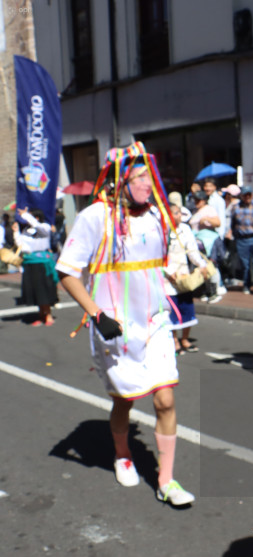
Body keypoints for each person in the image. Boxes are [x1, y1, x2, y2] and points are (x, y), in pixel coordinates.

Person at [56, 141, 195, 507]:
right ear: (119, 181)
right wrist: (97, 315)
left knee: (165, 399)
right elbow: (66, 272)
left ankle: (166, 480)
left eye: (150, 177)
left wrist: (188, 276)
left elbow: (162, 264)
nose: (149, 184)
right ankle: (123, 454)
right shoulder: (94, 217)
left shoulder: (156, 215)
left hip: (155, 323)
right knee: (125, 401)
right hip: (116, 327)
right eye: (140, 178)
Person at [163, 203, 210, 354]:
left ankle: (185, 338)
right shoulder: (162, 231)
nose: (178, 216)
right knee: (172, 309)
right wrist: (168, 271)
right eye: (175, 213)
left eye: (179, 213)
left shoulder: (185, 229)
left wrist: (201, 265)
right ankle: (174, 340)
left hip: (183, 275)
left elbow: (192, 250)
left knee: (186, 307)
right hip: (168, 278)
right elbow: (158, 255)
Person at [13, 207, 58, 326]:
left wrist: (26, 215)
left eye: (31, 216)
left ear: (36, 218)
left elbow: (37, 226)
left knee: (44, 289)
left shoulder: (44, 227)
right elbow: (22, 245)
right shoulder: (27, 231)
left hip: (42, 263)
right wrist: (16, 232)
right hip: (30, 262)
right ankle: (41, 314)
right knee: (35, 290)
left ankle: (48, 315)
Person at [230, 185, 253, 295]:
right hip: (242, 240)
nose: (247, 197)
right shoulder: (236, 208)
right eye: (245, 195)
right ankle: (246, 285)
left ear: (252, 195)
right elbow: (233, 224)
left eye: (249, 194)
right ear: (241, 196)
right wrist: (235, 237)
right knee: (245, 265)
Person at [189, 190, 224, 304]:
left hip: (210, 242)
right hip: (199, 243)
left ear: (204, 200)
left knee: (211, 266)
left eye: (198, 200)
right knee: (202, 265)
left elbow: (218, 223)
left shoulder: (209, 209)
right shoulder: (195, 210)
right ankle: (207, 290)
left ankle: (214, 291)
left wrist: (207, 219)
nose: (196, 202)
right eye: (195, 200)